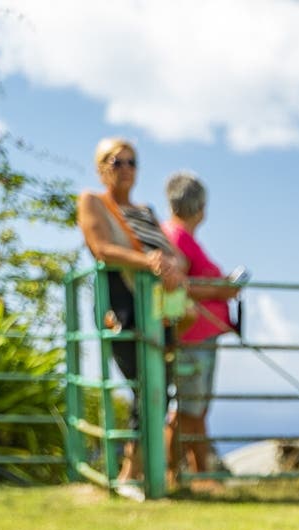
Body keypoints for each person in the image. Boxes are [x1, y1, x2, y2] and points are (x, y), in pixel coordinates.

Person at [75, 136, 184, 496]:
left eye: (131, 162)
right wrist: (150, 263)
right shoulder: (93, 201)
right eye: (115, 161)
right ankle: (129, 473)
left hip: (156, 309)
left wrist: (170, 268)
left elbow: (172, 255)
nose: (124, 169)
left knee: (158, 389)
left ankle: (138, 472)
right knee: (142, 385)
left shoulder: (147, 211)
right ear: (100, 166)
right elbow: (101, 249)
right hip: (121, 305)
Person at [162, 171, 244, 485]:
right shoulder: (177, 237)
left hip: (201, 335)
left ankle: (195, 474)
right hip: (193, 336)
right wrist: (221, 290)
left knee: (194, 409)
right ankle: (182, 474)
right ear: (201, 207)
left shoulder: (181, 236)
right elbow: (177, 285)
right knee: (188, 410)